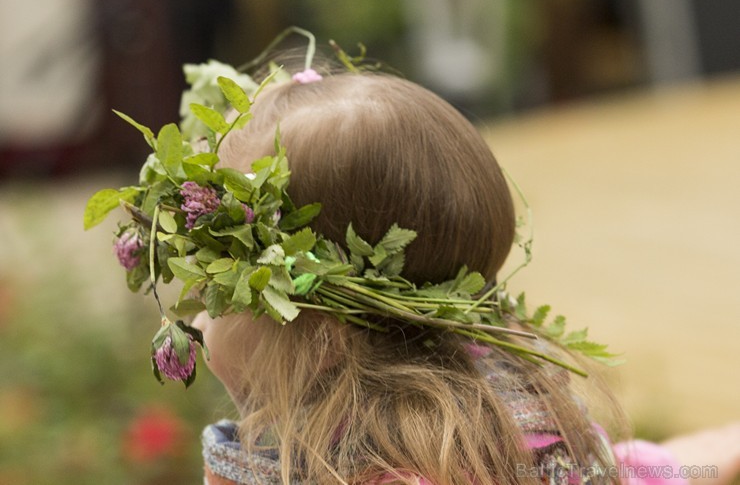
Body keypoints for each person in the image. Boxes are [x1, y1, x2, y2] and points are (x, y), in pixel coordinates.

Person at [88, 31, 739, 484]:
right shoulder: (514, 415)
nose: (198, 319)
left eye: (221, 288)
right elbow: (635, 469)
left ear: (323, 336)